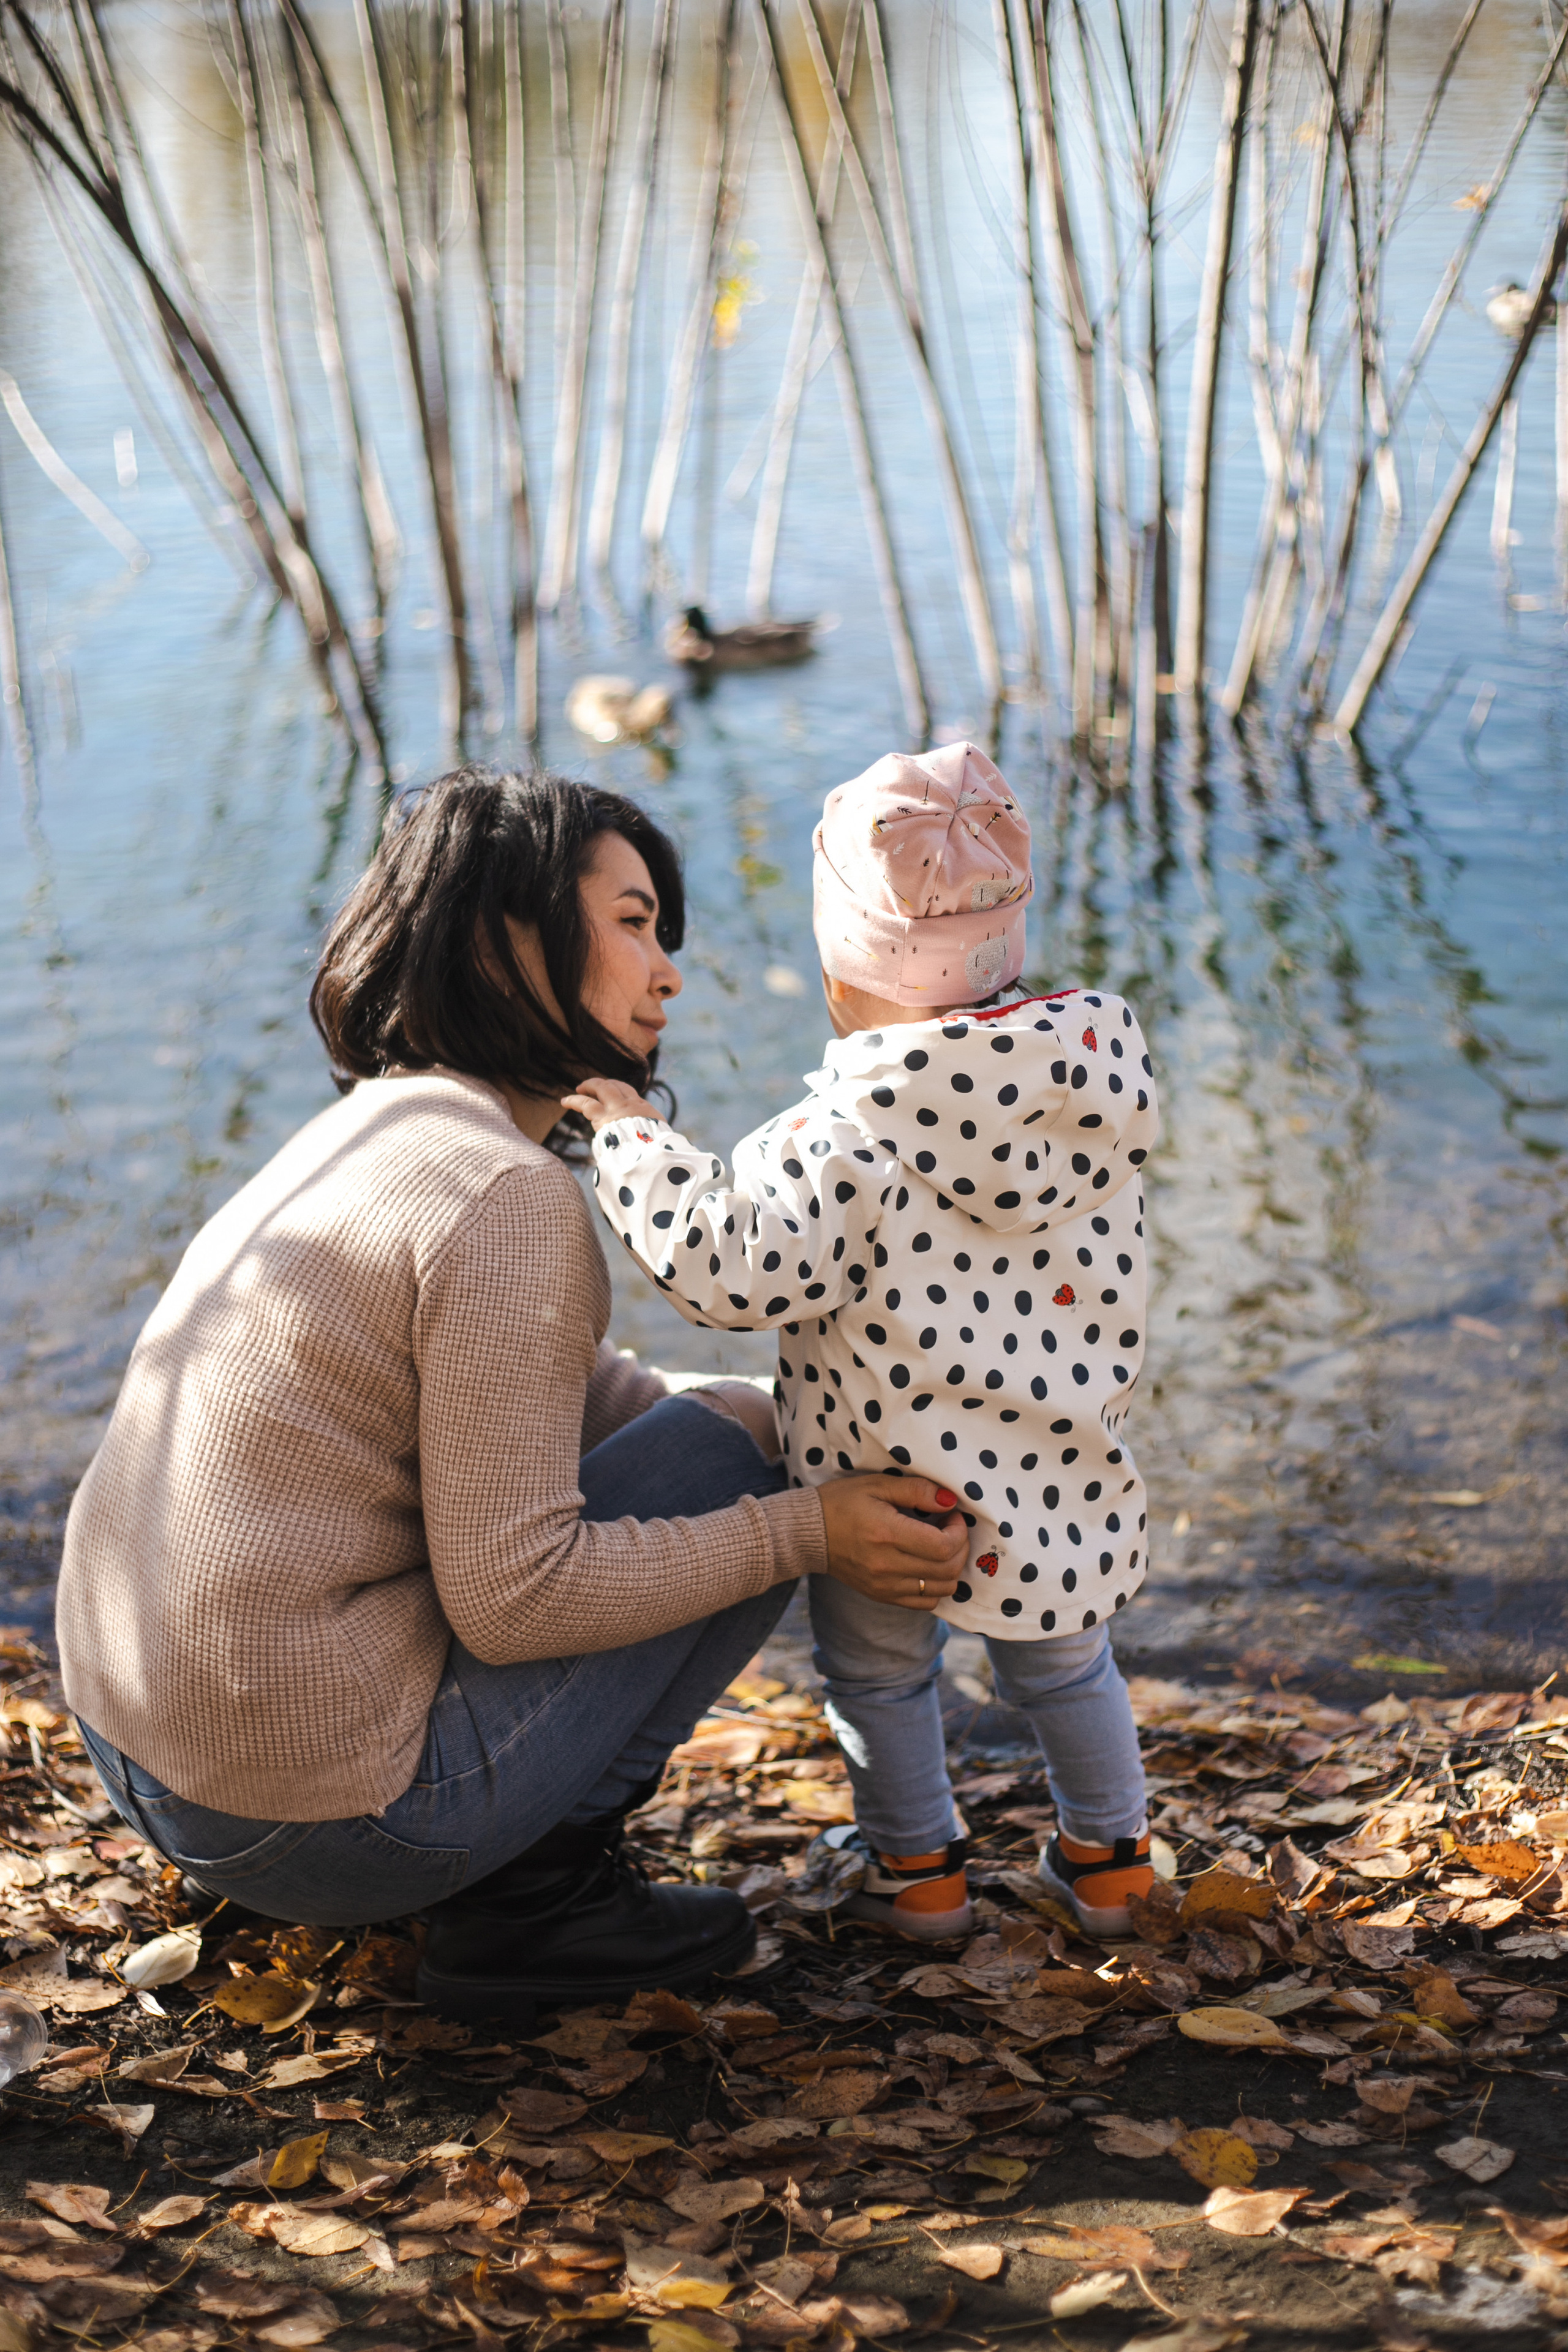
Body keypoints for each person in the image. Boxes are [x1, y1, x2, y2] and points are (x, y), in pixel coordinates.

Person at [56, 765, 968, 2023]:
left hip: (148, 1764)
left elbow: (548, 1393)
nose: (669, 974)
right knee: (758, 1458)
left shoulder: (382, 1128)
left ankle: (501, 1864)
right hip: (313, 1826)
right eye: (635, 923)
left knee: (746, 1426)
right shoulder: (509, 1200)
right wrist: (805, 1521)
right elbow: (514, 1599)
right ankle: (539, 1903)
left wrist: (753, 1410)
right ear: (502, 940)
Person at [565, 744, 1161, 1942]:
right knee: (1065, 1667)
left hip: (886, 1491)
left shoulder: (840, 1134)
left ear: (844, 978)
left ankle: (922, 1878)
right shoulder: (1085, 1096)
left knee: (883, 1681)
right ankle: (1108, 1864)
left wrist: (632, 1142)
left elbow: (736, 1272)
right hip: (1057, 1456)